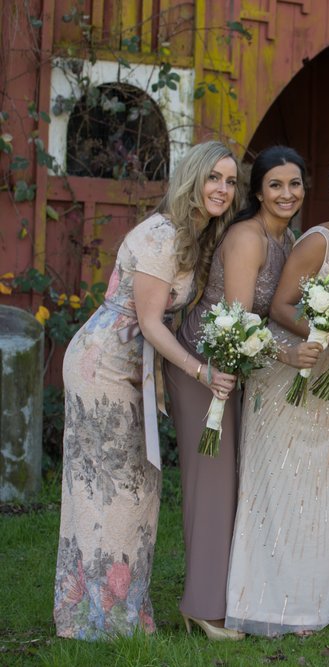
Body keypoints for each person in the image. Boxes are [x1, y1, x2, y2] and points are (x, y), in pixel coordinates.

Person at [54, 141, 239, 639]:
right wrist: (201, 372)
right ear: (193, 179)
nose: (223, 189)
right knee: (108, 488)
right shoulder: (163, 235)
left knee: (134, 486)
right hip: (104, 366)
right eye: (214, 178)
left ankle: (121, 611)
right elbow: (152, 323)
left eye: (230, 181)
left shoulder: (192, 233)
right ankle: (96, 619)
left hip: (133, 366)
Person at [225, 154, 329, 637]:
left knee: (319, 488)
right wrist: (328, 335)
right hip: (293, 373)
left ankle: (308, 603)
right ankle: (264, 602)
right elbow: (280, 306)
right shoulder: (316, 241)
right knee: (279, 484)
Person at [163, 146, 307, 640]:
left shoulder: (287, 238)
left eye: (294, 184)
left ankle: (228, 594)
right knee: (212, 483)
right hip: (205, 364)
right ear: (258, 192)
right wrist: (288, 356)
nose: (286, 194)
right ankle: (202, 607)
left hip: (236, 368)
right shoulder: (248, 237)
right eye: (275, 185)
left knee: (231, 482)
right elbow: (242, 322)